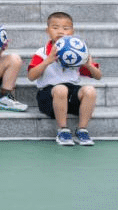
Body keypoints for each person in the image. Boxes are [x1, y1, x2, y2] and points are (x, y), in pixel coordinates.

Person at [28, 11, 102, 145]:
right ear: (47, 31)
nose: (61, 31)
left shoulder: (78, 52)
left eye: (66, 28)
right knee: (61, 89)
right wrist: (47, 61)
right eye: (55, 27)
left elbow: (98, 76)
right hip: (48, 96)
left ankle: (82, 130)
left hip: (71, 94)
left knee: (90, 90)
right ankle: (62, 130)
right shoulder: (42, 52)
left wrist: (88, 65)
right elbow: (31, 76)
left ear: (72, 32)